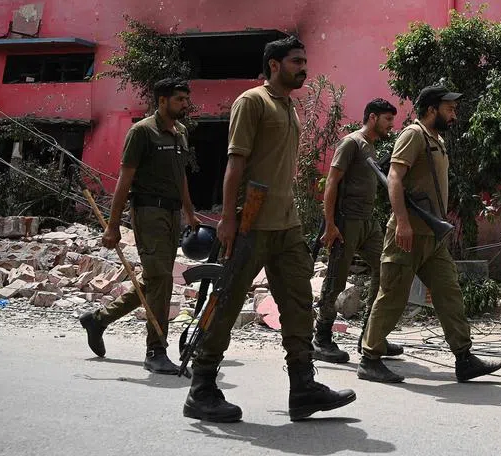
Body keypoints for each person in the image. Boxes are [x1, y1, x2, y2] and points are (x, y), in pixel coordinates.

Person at [182, 36, 355, 423]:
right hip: (251, 222)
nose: (303, 68)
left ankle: (303, 388)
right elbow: (235, 163)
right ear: (274, 65)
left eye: (304, 61)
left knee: (297, 305)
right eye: (296, 61)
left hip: (286, 225)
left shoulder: (289, 107)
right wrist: (228, 220)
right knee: (225, 304)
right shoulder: (252, 102)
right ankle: (202, 388)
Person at [355, 85, 501, 384]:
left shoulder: (437, 140)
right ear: (432, 109)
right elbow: (394, 177)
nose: (454, 114)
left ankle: (464, 358)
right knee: (393, 296)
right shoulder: (413, 135)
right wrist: (402, 222)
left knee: (449, 293)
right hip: (406, 234)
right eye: (449, 108)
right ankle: (370, 358)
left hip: (432, 237)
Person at [79, 78, 198, 374]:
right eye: (179, 99)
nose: (185, 104)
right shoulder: (142, 132)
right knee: (162, 280)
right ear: (162, 101)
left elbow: (181, 175)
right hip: (148, 212)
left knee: (155, 279)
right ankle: (156, 350)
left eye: (186, 99)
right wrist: (113, 224)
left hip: (172, 215)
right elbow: (125, 178)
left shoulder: (181, 132)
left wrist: (190, 212)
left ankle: (99, 319)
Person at [313, 98, 404, 363]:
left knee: (386, 268)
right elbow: (331, 182)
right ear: (373, 117)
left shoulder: (371, 147)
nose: (391, 125)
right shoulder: (351, 142)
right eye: (388, 119)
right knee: (335, 280)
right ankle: (322, 338)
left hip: (367, 222)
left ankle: (370, 335)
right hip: (346, 222)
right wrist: (330, 224)